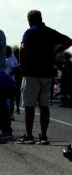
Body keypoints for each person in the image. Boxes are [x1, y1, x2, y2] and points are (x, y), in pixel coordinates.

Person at [17, 10, 72, 145]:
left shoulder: (29, 32)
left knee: (29, 105)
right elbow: (69, 41)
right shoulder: (50, 32)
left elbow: (23, 48)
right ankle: (44, 136)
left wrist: (21, 64)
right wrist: (56, 51)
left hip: (31, 73)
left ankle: (29, 135)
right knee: (44, 105)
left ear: (29, 20)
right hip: (47, 73)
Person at [5, 46, 19, 120]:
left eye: (6, 50)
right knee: (5, 98)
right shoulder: (5, 59)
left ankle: (11, 114)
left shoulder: (13, 59)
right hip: (4, 82)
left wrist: (9, 75)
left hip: (10, 82)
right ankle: (6, 113)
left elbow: (16, 69)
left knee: (10, 98)